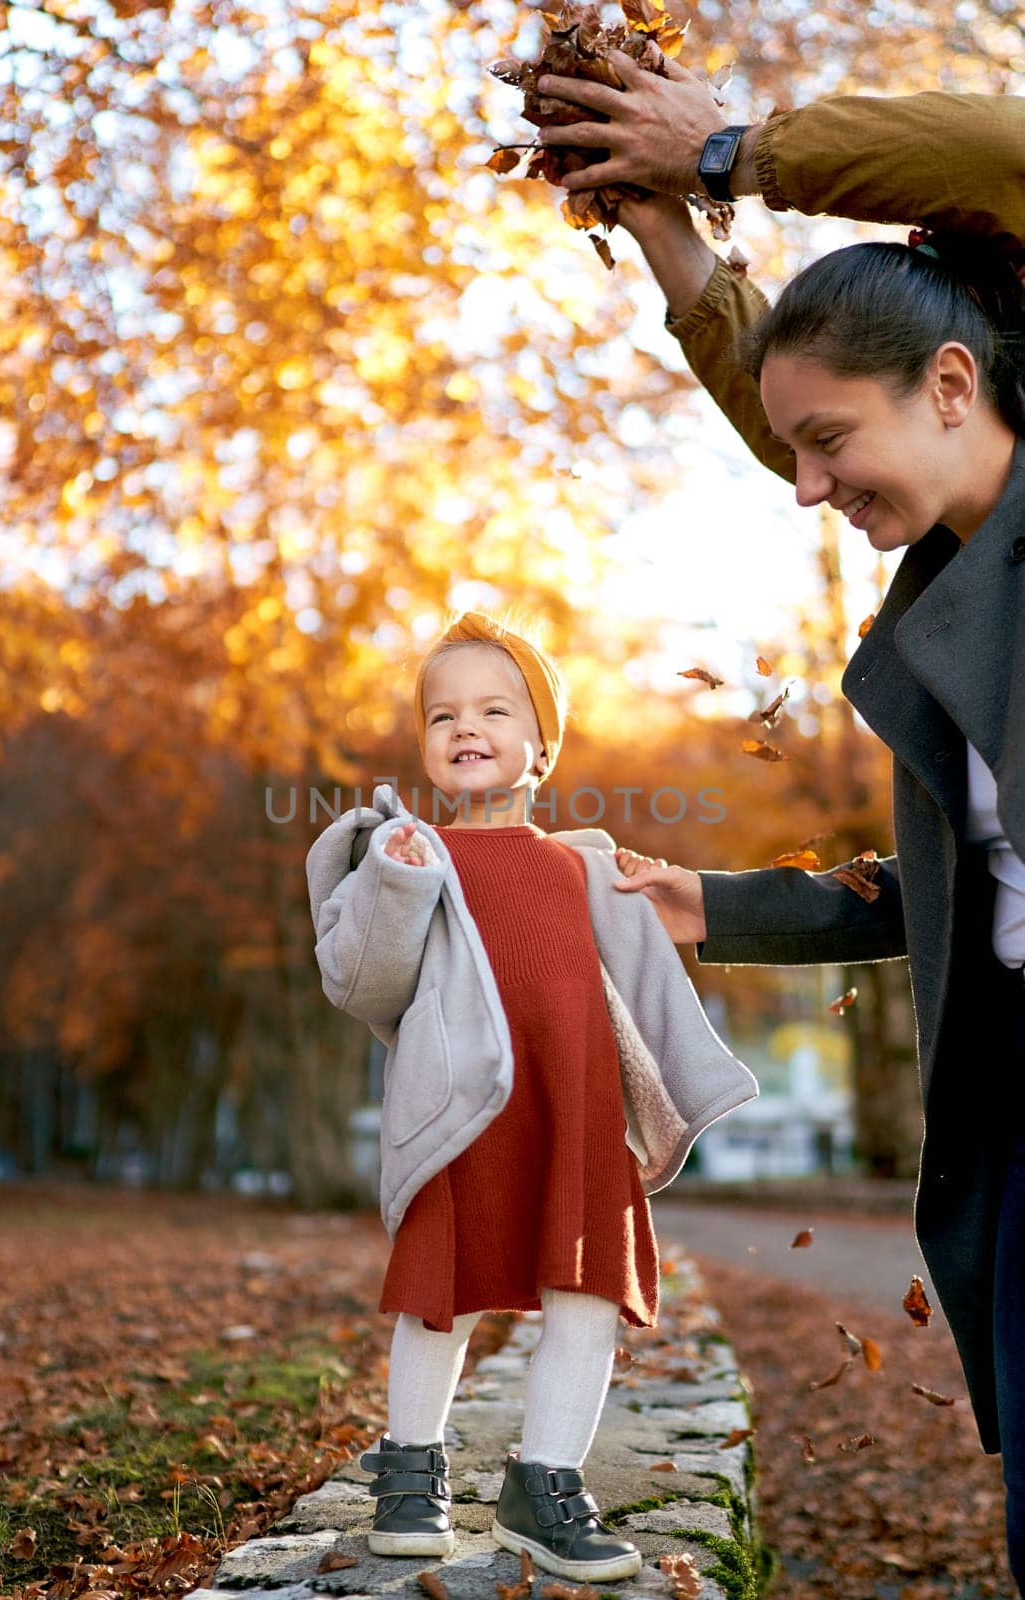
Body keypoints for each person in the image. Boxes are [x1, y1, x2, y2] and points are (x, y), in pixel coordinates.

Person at [539, 58, 1025, 1593]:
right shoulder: (951, 580)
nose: (804, 489)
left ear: (955, 385)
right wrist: (706, 907)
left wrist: (734, 151)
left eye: (828, 449)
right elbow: (941, 891)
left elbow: (999, 151)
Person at [305, 609, 758, 1580]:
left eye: (494, 709)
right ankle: (409, 1468)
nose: (466, 728)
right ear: (425, 744)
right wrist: (391, 881)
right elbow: (363, 981)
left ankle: (544, 1485)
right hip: (465, 1110)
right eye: (442, 716)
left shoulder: (585, 868)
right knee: (441, 1296)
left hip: (574, 1106)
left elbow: (642, 983)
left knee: (586, 1295)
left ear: (540, 741)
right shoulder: (412, 854)